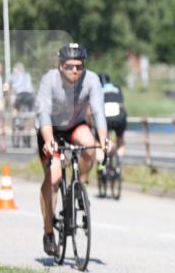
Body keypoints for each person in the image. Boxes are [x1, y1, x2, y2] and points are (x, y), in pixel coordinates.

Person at [35, 43, 108, 257]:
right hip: (51, 129)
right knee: (54, 177)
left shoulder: (92, 80)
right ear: (60, 66)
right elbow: (44, 114)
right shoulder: (49, 80)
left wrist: (104, 140)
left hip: (75, 125)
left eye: (79, 66)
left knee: (90, 144)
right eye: (70, 66)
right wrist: (49, 141)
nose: (75, 70)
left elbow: (98, 111)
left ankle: (80, 184)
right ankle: (49, 232)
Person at [97, 73, 127, 169]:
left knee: (99, 140)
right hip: (119, 116)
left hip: (105, 118)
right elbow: (121, 101)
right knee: (120, 137)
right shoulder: (117, 87)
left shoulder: (97, 89)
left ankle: (101, 164)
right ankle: (119, 162)